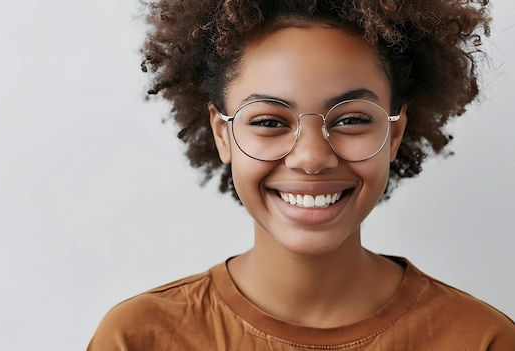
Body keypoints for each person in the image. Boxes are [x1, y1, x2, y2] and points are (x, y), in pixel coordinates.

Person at [87, 0, 515, 349]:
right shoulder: (139, 339)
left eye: (350, 120)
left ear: (395, 134)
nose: (311, 157)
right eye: (270, 122)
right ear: (223, 135)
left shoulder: (480, 339)